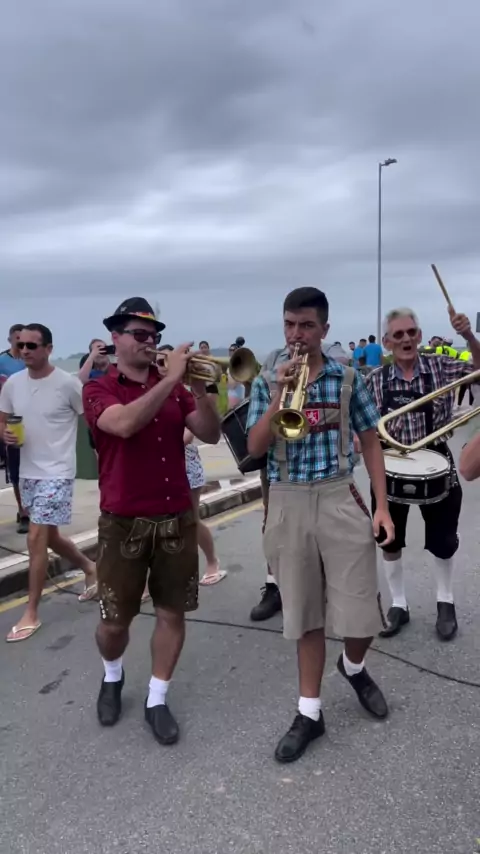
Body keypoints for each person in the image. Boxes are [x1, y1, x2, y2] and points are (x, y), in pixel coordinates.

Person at [247, 286, 394, 764]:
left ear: (324, 329)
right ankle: (309, 712)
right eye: (290, 324)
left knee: (363, 611)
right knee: (305, 615)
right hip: (287, 497)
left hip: (337, 493)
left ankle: (353, 665)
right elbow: (255, 446)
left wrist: (382, 506)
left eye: (307, 325)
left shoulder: (346, 377)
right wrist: (278, 394)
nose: (297, 335)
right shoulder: (266, 378)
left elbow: (370, 441)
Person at [82, 298, 221, 745]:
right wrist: (172, 381)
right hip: (123, 521)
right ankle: (112, 673)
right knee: (113, 623)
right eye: (140, 334)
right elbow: (124, 424)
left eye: (154, 335)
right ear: (116, 338)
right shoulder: (99, 388)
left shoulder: (174, 387)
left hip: (176, 516)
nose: (149, 342)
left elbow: (210, 433)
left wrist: (199, 390)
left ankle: (157, 698)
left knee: (171, 612)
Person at [366, 305, 480, 641]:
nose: (406, 339)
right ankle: (398, 604)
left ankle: (446, 602)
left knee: (444, 539)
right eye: (398, 335)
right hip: (389, 464)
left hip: (436, 459)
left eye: (411, 332)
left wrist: (468, 335)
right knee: (388, 538)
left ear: (419, 336)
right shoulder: (375, 379)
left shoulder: (439, 365)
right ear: (387, 342)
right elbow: (364, 427)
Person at [0, 323, 98, 642]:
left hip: (57, 472)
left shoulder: (67, 384)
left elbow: (91, 420)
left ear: (48, 349)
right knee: (50, 536)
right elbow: (3, 419)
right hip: (28, 472)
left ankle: (31, 612)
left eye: (32, 345)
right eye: (21, 345)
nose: (25, 350)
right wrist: (4, 434)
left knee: (35, 537)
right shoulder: (13, 384)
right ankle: (90, 567)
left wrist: (99, 457)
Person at [158, 345, 225, 587]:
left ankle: (212, 561)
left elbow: (188, 436)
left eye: (166, 362)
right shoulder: (154, 392)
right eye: (159, 363)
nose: (161, 367)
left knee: (191, 520)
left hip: (187, 465)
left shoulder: (184, 392)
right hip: (163, 468)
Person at [0, 324, 29, 533]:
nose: (21, 344)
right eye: (17, 339)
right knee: (16, 470)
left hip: (33, 420)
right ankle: (23, 511)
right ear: (10, 339)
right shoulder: (2, 361)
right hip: (12, 421)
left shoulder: (32, 359)